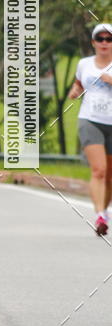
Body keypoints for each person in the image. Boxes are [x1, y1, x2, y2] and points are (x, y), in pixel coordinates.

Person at [68, 23, 112, 236]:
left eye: (109, 39)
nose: (104, 43)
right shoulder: (84, 64)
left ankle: (105, 210)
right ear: (93, 42)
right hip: (90, 120)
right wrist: (75, 91)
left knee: (110, 175)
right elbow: (78, 83)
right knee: (99, 170)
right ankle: (100, 215)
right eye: (100, 39)